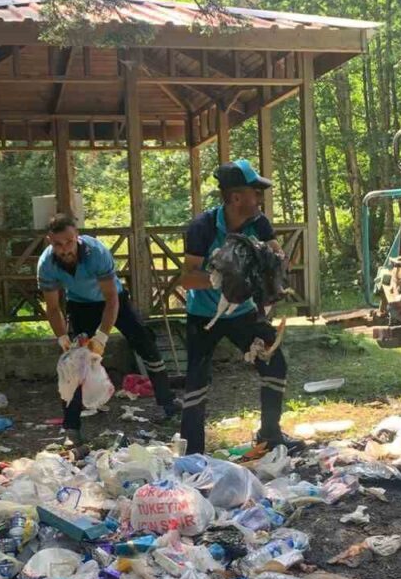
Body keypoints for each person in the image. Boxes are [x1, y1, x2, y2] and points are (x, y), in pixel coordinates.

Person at [177, 159, 302, 456]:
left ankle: (270, 436)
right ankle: (192, 454)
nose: (259, 198)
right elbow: (187, 279)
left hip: (244, 312)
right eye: (254, 192)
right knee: (196, 381)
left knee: (274, 363)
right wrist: (221, 278)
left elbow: (278, 258)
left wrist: (275, 268)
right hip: (203, 316)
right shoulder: (202, 227)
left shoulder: (259, 222)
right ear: (235, 198)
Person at [37, 213, 177, 447]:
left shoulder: (96, 253)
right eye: (58, 244)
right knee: (74, 362)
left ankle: (168, 403)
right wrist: (62, 337)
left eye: (69, 242)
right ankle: (71, 428)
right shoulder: (46, 264)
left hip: (114, 302)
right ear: (50, 241)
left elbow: (112, 300)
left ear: (77, 236)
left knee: (146, 344)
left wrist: (102, 337)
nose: (65, 249)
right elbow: (52, 308)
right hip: (80, 305)